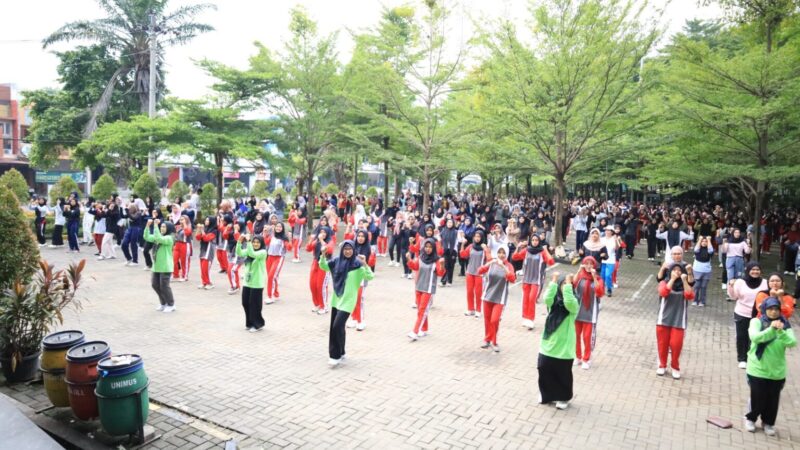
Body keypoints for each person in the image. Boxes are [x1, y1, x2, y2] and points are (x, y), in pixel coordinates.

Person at [743, 297, 796, 435]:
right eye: (770, 309)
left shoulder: (785, 325)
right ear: (764, 310)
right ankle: (751, 419)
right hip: (757, 368)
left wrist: (780, 331)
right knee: (757, 397)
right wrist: (771, 329)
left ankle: (768, 423)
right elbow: (755, 337)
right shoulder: (756, 322)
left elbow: (792, 343)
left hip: (777, 370)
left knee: (773, 400)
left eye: (776, 309)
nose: (773, 312)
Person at [320, 240, 375, 367]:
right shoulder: (336, 261)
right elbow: (323, 266)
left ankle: (335, 355)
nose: (348, 251)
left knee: (337, 326)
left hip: (349, 301)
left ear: (354, 250)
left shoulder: (358, 265)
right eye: (345, 249)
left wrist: (365, 263)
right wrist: (322, 255)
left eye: (350, 249)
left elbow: (370, 276)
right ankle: (341, 351)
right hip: (337, 299)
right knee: (338, 327)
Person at [538, 272, 579, 410]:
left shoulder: (573, 303)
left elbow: (568, 302)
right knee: (544, 368)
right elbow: (547, 297)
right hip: (549, 342)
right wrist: (554, 281)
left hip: (564, 347)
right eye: (563, 285)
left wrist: (568, 285)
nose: (564, 287)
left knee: (562, 373)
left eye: (566, 285)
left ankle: (563, 397)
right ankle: (547, 394)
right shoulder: (553, 303)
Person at [656, 264, 695, 379]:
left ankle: (675, 367)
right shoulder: (664, 282)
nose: (677, 272)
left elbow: (689, 295)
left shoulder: (684, 284)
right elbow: (663, 292)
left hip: (679, 320)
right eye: (674, 270)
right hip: (663, 320)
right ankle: (662, 365)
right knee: (662, 345)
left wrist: (684, 280)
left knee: (676, 345)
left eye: (679, 270)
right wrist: (672, 279)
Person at [477, 245, 516, 352]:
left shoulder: (509, 265)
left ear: (507, 254)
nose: (501, 255)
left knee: (494, 320)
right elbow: (479, 271)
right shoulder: (492, 263)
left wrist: (503, 267)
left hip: (500, 298)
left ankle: (494, 341)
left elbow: (512, 278)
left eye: (503, 253)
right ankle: (487, 340)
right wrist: (488, 263)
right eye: (499, 252)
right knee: (487, 320)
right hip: (487, 296)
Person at [406, 238, 446, 341]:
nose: (428, 249)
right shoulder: (420, 257)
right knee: (420, 310)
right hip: (419, 287)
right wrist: (409, 259)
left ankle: (415, 331)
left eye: (430, 247)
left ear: (434, 248)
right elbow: (414, 267)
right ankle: (424, 328)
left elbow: (440, 273)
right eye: (426, 247)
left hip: (428, 289)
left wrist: (441, 265)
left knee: (422, 310)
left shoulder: (436, 260)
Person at [512, 234, 555, 330]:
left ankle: (531, 319)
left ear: (539, 241)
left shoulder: (541, 252)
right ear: (531, 241)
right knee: (526, 299)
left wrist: (546, 250)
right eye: (533, 240)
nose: (535, 241)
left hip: (536, 281)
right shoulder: (526, 251)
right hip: (526, 280)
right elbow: (514, 257)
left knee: (532, 299)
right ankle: (525, 318)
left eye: (536, 240)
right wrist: (518, 248)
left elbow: (551, 262)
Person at [729, 261, 767, 369]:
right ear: (748, 270)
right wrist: (731, 286)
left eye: (757, 270)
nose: (755, 272)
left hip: (758, 315)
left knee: (755, 337)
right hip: (742, 313)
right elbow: (733, 296)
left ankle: (753, 357)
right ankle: (742, 359)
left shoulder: (765, 283)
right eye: (753, 269)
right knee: (742, 337)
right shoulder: (740, 282)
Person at [573, 256, 605, 370]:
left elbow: (600, 292)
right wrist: (578, 270)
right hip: (577, 312)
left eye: (591, 264)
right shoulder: (580, 276)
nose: (589, 266)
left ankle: (586, 359)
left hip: (590, 313)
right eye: (586, 263)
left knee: (587, 337)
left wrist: (594, 277)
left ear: (594, 266)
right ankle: (577, 356)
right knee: (576, 336)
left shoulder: (599, 279)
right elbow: (573, 283)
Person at [143, 218, 176, 313]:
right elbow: (147, 237)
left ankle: (171, 304)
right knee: (155, 285)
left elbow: (158, 239)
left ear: (169, 228)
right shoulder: (159, 235)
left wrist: (156, 226)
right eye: (161, 226)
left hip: (165, 266)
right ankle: (163, 303)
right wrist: (147, 226)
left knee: (164, 286)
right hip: (157, 266)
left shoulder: (169, 238)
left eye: (164, 226)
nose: (162, 228)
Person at [237, 234, 267, 332]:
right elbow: (240, 253)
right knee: (245, 302)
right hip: (247, 282)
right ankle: (249, 323)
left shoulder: (263, 252)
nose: (255, 244)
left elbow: (253, 254)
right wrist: (239, 242)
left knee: (254, 304)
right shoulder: (250, 250)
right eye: (254, 242)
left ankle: (257, 324)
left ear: (261, 243)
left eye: (257, 242)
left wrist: (248, 242)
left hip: (257, 283)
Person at [349, 229, 376, 331]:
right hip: (352, 276)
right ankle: (354, 318)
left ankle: (361, 321)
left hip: (362, 276)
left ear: (366, 238)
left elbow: (369, 264)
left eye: (362, 236)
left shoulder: (368, 249)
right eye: (359, 236)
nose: (360, 238)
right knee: (353, 298)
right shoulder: (353, 246)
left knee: (360, 299)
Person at [459, 230, 489, 318]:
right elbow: (463, 255)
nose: (477, 238)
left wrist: (486, 249)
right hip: (469, 272)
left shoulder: (484, 248)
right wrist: (462, 244)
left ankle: (478, 310)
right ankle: (470, 309)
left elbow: (489, 259)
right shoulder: (471, 246)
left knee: (478, 293)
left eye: (479, 237)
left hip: (479, 274)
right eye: (476, 236)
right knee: (469, 292)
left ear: (482, 238)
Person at [307, 226, 335, 314]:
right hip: (315, 262)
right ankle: (317, 304)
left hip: (325, 264)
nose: (322, 234)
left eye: (324, 232)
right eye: (321, 232)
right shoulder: (316, 241)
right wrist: (311, 239)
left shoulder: (330, 241)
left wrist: (322, 241)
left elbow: (329, 250)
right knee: (312, 285)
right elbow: (308, 248)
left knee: (321, 286)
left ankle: (324, 306)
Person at [264, 221, 291, 303]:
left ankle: (270, 296)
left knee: (271, 276)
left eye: (280, 227)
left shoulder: (284, 238)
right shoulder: (272, 236)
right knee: (272, 276)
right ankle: (276, 294)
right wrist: (265, 233)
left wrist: (290, 239)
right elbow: (265, 242)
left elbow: (289, 248)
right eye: (277, 226)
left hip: (278, 258)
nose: (278, 228)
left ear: (282, 229)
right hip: (269, 258)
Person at [195, 216, 218, 290]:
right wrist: (199, 229)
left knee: (205, 268)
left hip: (209, 250)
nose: (206, 221)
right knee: (202, 267)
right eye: (206, 219)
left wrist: (202, 230)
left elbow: (206, 238)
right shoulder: (205, 229)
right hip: (203, 249)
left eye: (208, 220)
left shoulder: (214, 231)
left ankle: (209, 283)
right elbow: (198, 238)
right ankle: (204, 282)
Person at [691, 236, 714, 306]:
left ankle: (702, 301)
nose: (704, 243)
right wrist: (700, 239)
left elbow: (711, 250)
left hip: (706, 271)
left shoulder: (709, 250)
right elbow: (696, 249)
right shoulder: (697, 250)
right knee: (696, 286)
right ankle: (695, 300)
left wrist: (709, 240)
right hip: (697, 270)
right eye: (702, 241)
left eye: (705, 242)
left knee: (704, 287)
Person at [172, 215, 193, 281]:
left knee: (184, 261)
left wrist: (184, 224)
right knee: (173, 260)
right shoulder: (177, 227)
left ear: (186, 220)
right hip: (177, 244)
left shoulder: (189, 227)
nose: (181, 221)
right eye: (180, 219)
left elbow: (187, 233)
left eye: (183, 219)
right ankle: (175, 274)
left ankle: (185, 276)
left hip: (185, 244)